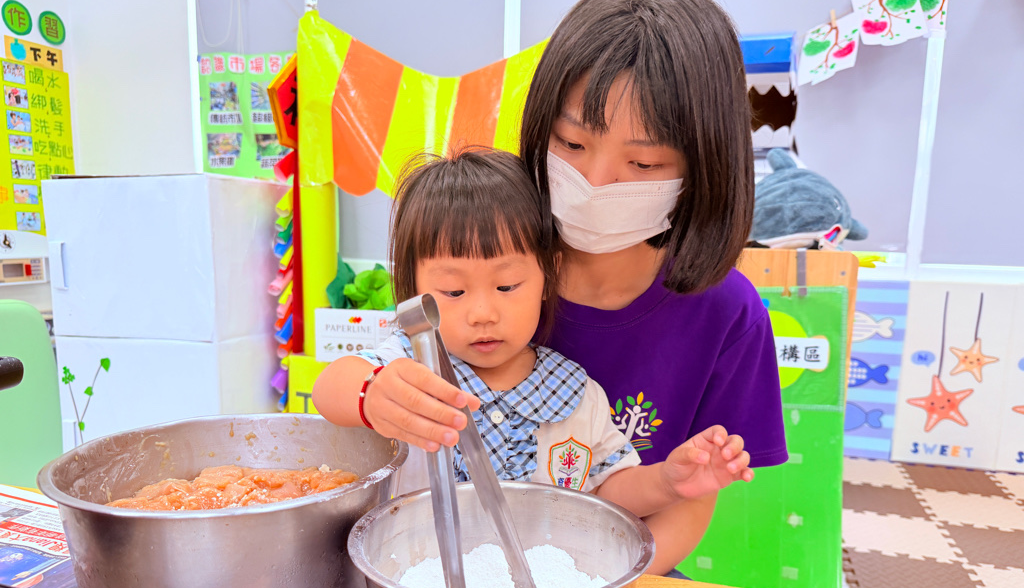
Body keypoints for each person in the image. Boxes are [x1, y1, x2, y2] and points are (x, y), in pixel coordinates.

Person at [325, 0, 788, 576]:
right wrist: (372, 393)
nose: (595, 180)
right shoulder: (493, 254)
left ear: (705, 164)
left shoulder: (725, 314)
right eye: (571, 142)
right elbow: (350, 381)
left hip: (612, 576)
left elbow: (683, 503)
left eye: (643, 161)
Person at [313, 147, 754, 524]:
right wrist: (371, 393)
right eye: (453, 292)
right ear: (412, 290)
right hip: (420, 577)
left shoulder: (575, 393)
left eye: (507, 286)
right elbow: (330, 389)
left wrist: (667, 483)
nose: (483, 314)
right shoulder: (409, 367)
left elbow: (607, 492)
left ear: (548, 276)